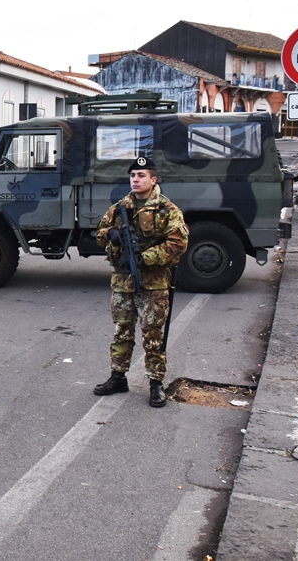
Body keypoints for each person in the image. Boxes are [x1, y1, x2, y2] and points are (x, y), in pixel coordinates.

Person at [93, 156, 188, 408]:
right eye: (133, 176)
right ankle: (118, 377)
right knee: (122, 331)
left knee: (153, 335)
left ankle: (156, 384)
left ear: (153, 180)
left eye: (141, 175)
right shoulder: (120, 207)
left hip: (154, 284)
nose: (135, 179)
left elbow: (178, 243)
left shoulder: (167, 210)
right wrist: (110, 233)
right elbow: (99, 233)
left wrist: (146, 258)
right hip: (123, 282)